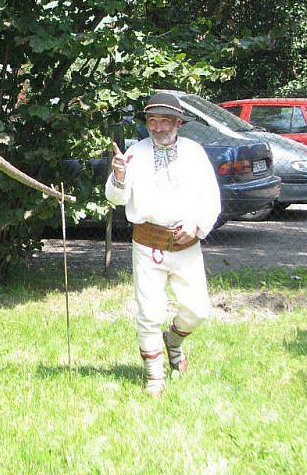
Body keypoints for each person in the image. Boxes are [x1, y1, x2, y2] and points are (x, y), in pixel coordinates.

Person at [105, 92, 221, 397]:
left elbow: (211, 199)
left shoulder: (195, 153)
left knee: (197, 311)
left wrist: (196, 225)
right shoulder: (134, 153)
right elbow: (115, 198)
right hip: (147, 245)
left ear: (178, 123)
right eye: (152, 121)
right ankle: (154, 376)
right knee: (149, 313)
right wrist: (118, 175)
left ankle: (174, 341)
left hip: (186, 247)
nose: (157, 127)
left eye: (165, 121)